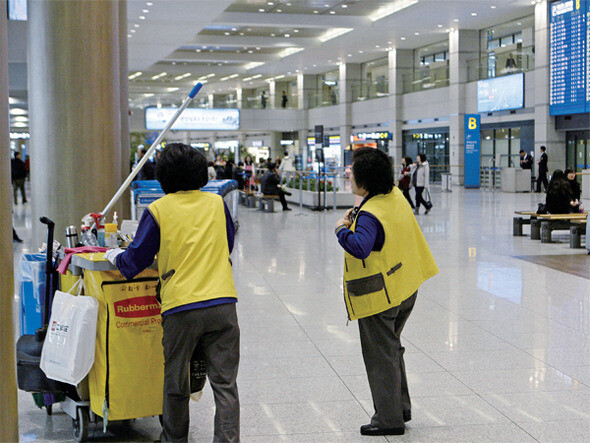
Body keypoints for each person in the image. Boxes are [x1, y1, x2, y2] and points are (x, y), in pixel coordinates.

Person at [105, 143, 240, 442]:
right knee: (225, 385)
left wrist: (114, 254)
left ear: (163, 176)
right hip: (223, 304)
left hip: (181, 308)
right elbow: (227, 244)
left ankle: (174, 440)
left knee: (176, 384)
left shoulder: (158, 210)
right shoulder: (217, 204)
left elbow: (135, 262)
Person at [334, 147, 438, 436]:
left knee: (380, 355)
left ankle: (389, 419)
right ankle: (399, 407)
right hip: (406, 286)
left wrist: (342, 229)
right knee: (392, 349)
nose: (349, 174)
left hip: (380, 296)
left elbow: (360, 246)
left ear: (365, 181)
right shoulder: (393, 197)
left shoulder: (370, 213)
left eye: (352, 172)